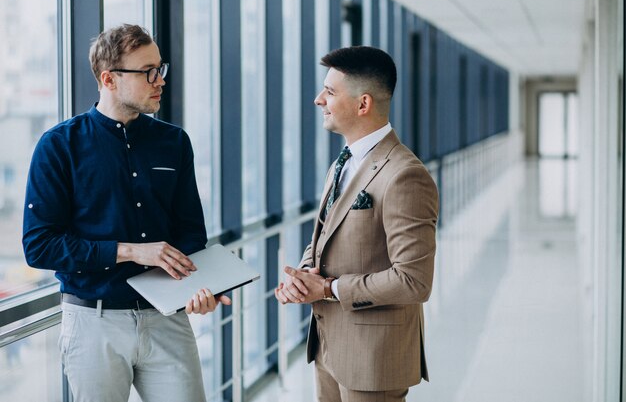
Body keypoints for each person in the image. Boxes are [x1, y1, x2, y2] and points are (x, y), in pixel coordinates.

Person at [22, 24, 229, 402]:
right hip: (92, 325)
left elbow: (190, 234)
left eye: (160, 68)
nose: (160, 80)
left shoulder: (174, 142)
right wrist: (131, 250)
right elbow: (40, 246)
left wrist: (200, 289)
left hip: (166, 318)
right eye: (148, 71)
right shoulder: (59, 146)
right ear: (109, 79)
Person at [275, 46, 439, 402]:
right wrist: (304, 276)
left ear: (363, 104)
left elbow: (414, 281)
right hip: (328, 346)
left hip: (373, 358)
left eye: (330, 92)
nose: (319, 100)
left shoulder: (405, 175)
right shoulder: (341, 163)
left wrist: (330, 289)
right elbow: (327, 235)